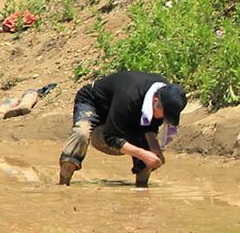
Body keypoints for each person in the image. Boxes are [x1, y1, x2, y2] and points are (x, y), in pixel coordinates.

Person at [58, 70, 187, 187]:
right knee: (81, 134)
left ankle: (141, 188)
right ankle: (64, 183)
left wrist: (155, 149)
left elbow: (150, 127)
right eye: (164, 114)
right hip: (94, 103)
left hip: (127, 114)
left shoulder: (165, 95)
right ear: (155, 100)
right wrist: (142, 154)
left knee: (148, 149)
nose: (164, 118)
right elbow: (110, 137)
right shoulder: (129, 96)